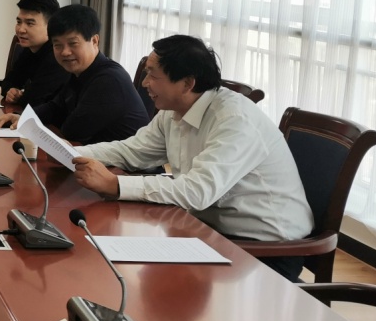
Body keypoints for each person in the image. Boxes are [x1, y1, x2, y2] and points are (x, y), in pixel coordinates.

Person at [71, 35, 314, 281]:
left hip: (265, 248)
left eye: (153, 75)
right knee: (117, 262)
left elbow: (197, 191)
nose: (144, 83)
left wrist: (115, 184)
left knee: (142, 280)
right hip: (206, 229)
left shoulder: (234, 120)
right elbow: (132, 151)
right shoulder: (174, 109)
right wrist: (70, 154)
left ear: (187, 83)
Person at [0, 4, 148, 144]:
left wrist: (36, 120)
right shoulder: (79, 71)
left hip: (123, 165)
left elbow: (72, 131)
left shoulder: (109, 79)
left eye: (73, 43)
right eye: (57, 45)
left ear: (94, 41)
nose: (65, 52)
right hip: (92, 155)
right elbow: (55, 107)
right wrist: (23, 117)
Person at [0, 0, 67, 107]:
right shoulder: (30, 50)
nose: (21, 30)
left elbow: (35, 100)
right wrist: (10, 91)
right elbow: (9, 81)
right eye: (19, 22)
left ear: (51, 26)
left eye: (29, 23)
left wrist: (21, 97)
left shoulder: (57, 55)